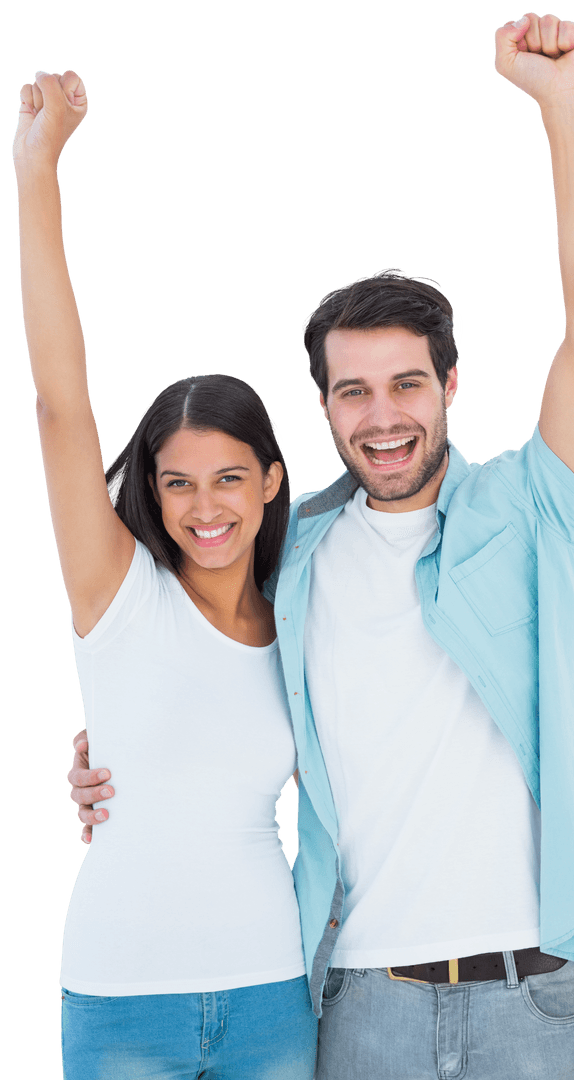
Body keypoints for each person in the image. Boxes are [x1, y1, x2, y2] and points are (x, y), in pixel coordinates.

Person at [67, 12, 574, 1079]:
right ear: (324, 409)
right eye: (354, 391)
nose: (385, 417)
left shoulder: (536, 513)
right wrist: (109, 758)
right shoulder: (295, 557)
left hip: (537, 998)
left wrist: (568, 109)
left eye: (409, 383)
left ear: (451, 384)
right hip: (358, 1001)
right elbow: (192, 675)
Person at [12, 71, 318, 1080]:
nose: (204, 506)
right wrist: (35, 168)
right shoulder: (120, 594)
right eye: (177, 482)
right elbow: (62, 402)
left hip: (274, 993)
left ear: (272, 480)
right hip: (121, 995)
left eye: (230, 477)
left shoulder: (304, 618)